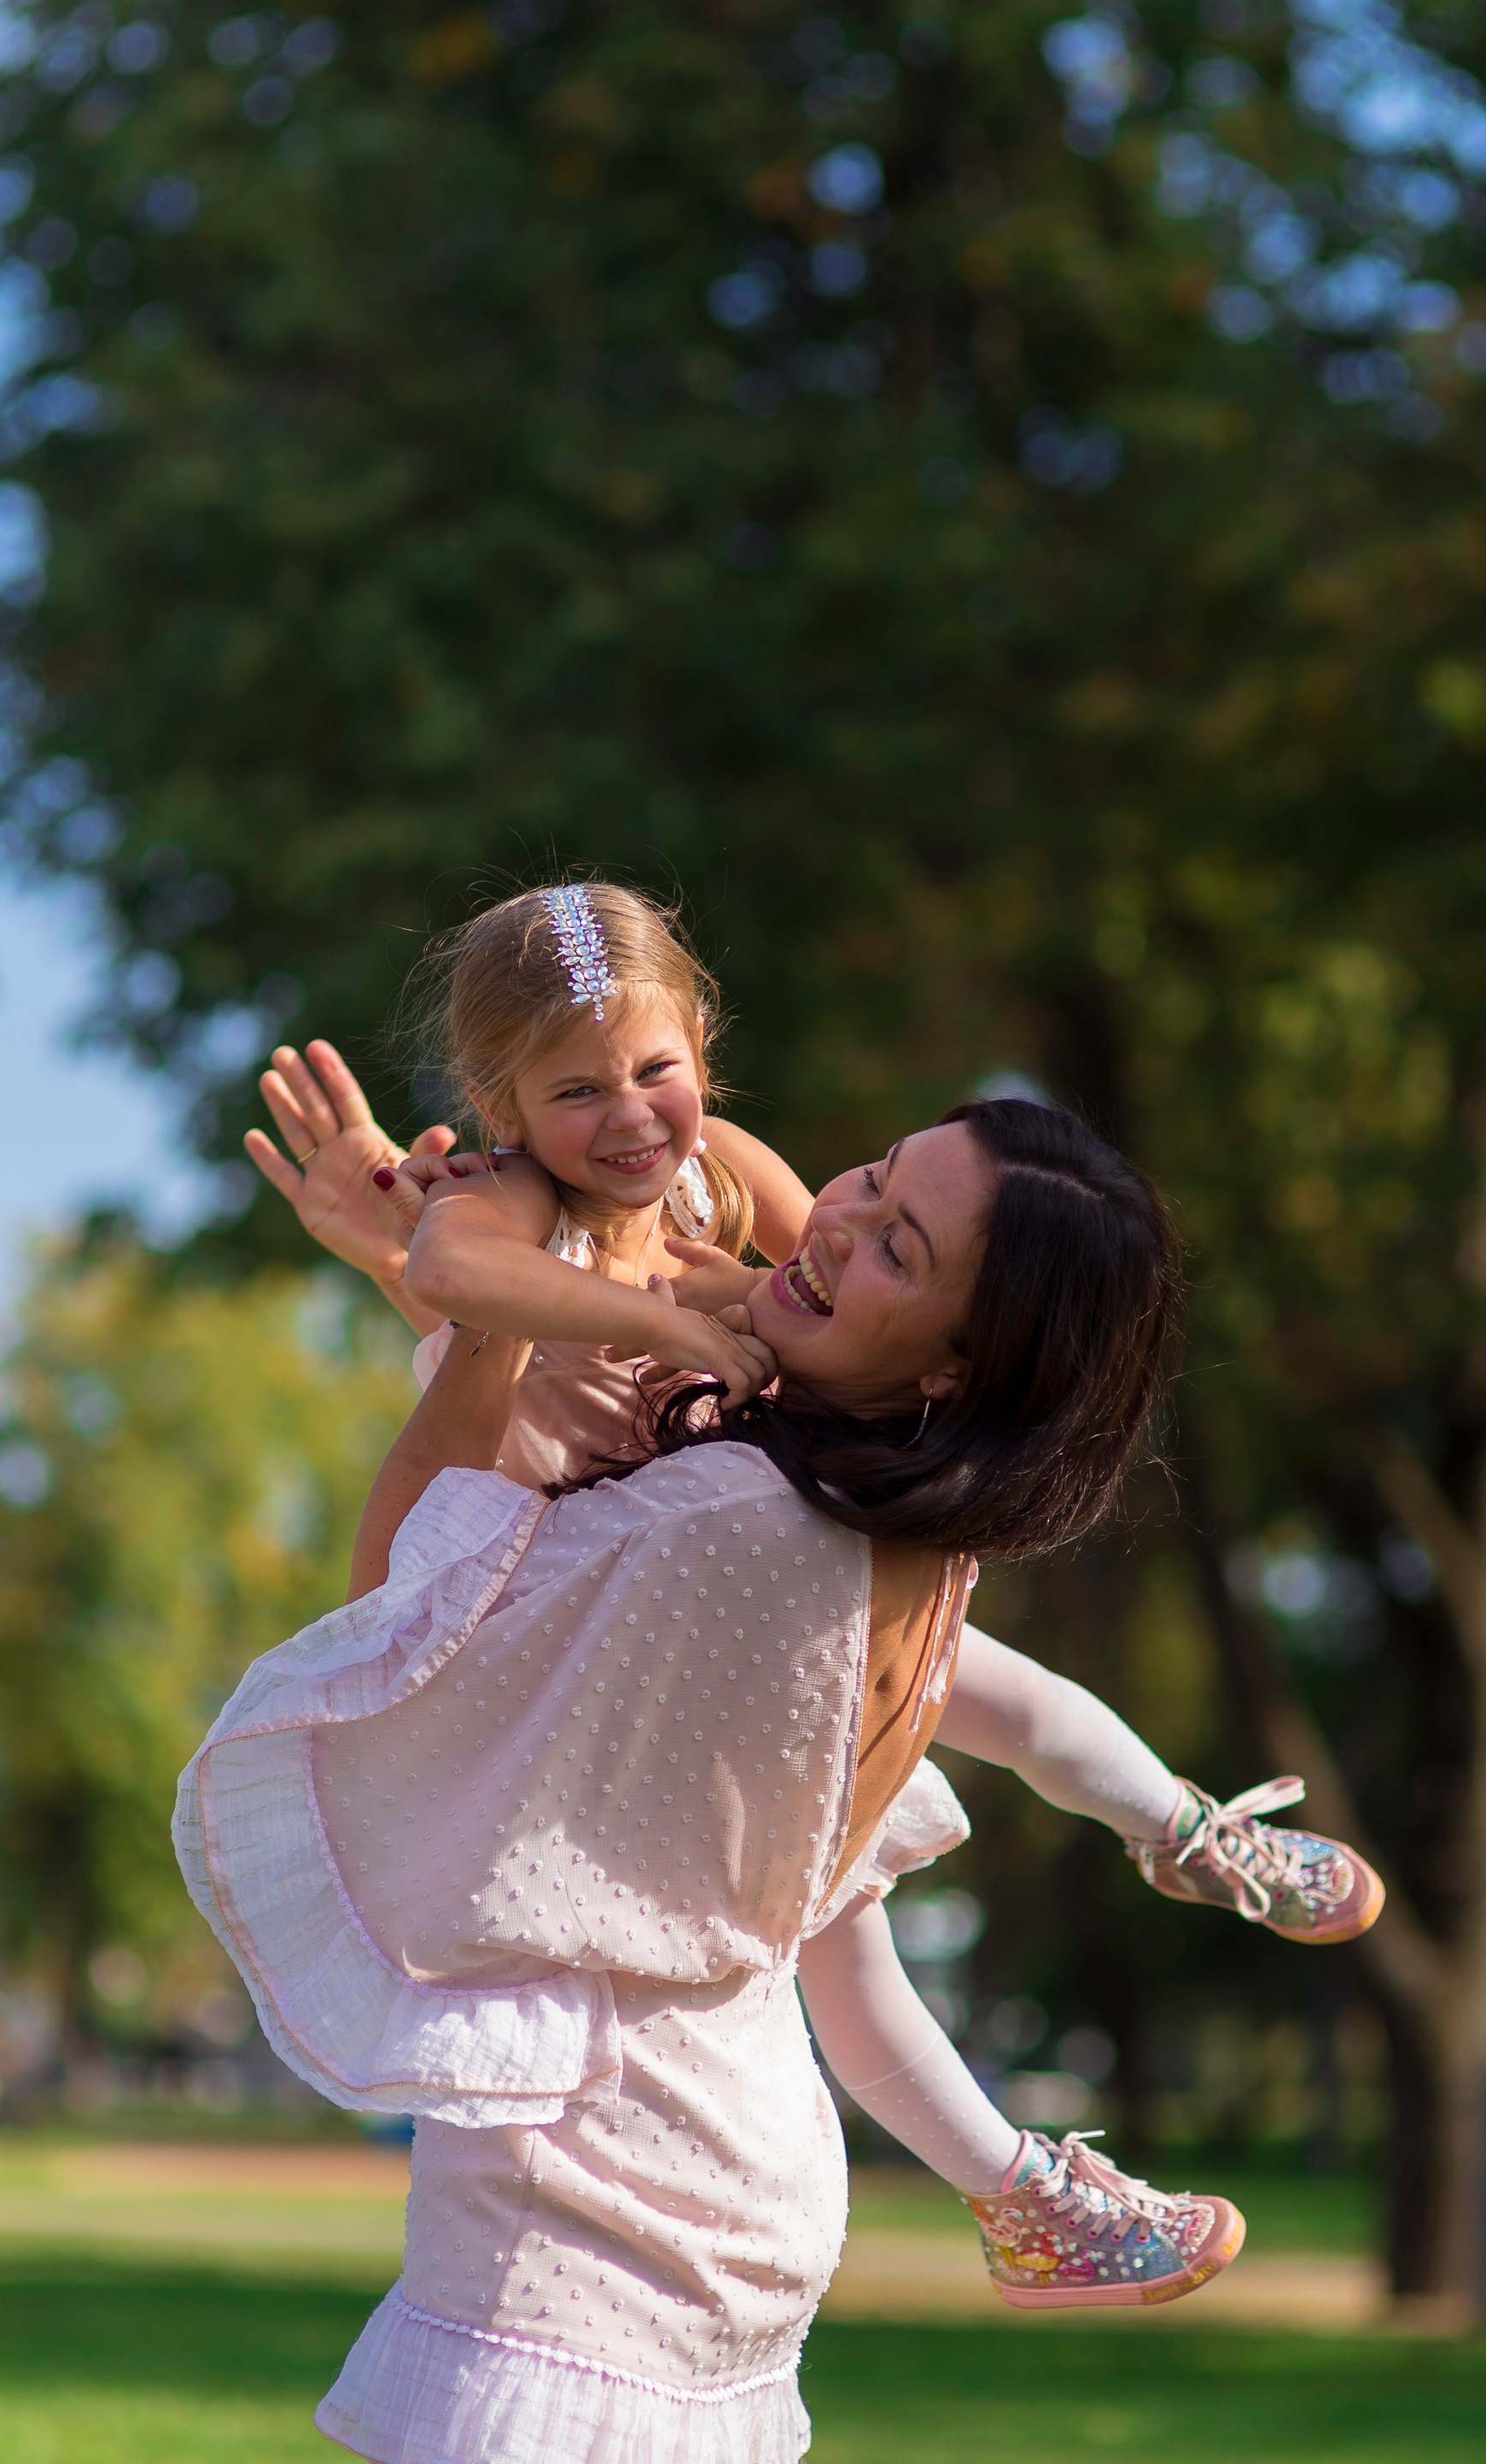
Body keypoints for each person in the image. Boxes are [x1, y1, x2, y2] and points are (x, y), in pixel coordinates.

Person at [178, 1091, 1249, 2464]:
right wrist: (430, 1261)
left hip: (599, 2200)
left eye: (899, 1245)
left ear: (958, 1364)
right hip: (706, 2168)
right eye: (872, 1179)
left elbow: (415, 1596)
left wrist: (461, 1295)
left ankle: (1039, 2158)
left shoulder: (732, 1527)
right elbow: (590, 1410)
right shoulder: (862, 1522)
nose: (831, 1223)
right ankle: (1038, 2171)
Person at [241, 884, 1384, 2299]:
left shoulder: (719, 1172)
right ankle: (1018, 2192)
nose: (632, 1116)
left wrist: (721, 1299)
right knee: (843, 1951)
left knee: (1012, 1710)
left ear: (704, 1045)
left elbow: (815, 1293)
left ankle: (1189, 1831)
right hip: (606, 1604)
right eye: (575, 1088)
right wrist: (640, 1307)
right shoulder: (518, 1203)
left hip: (759, 1577)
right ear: (502, 1106)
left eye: (658, 1069)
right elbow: (466, 1281)